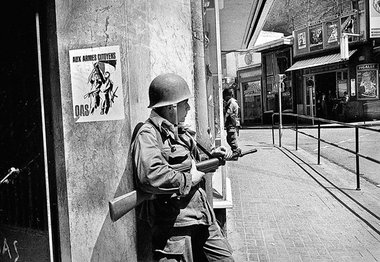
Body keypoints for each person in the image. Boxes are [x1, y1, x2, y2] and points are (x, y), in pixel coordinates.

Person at [131, 73, 235, 262]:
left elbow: (190, 162)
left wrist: (211, 157)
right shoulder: (148, 134)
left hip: (203, 216)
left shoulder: (178, 130)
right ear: (172, 107)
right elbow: (150, 175)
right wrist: (189, 179)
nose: (188, 107)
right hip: (175, 227)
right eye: (185, 103)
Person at [222, 88, 241, 160]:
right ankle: (236, 151)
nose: (223, 98)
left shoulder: (231, 103)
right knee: (229, 138)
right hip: (231, 124)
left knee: (231, 138)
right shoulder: (231, 102)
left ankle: (236, 153)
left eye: (224, 96)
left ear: (227, 95)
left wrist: (224, 120)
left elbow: (228, 113)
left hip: (231, 124)